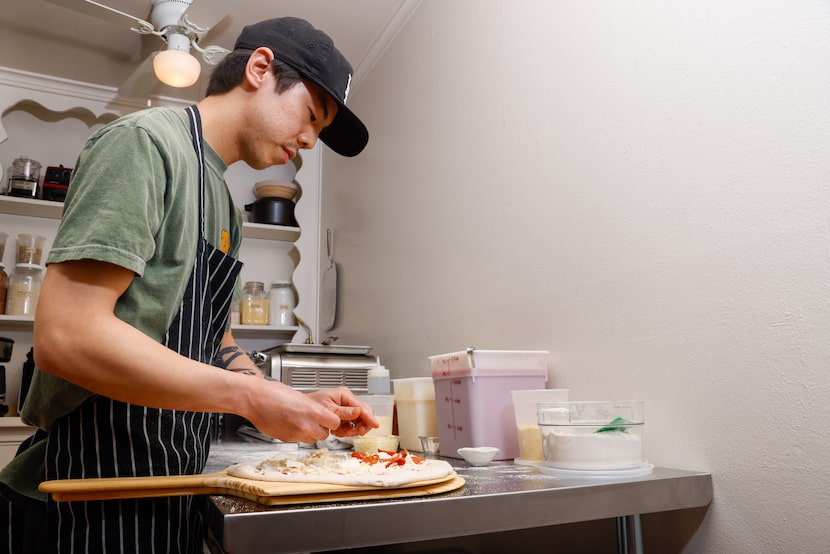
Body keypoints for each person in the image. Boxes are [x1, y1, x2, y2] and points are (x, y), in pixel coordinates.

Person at [0, 16, 377, 553]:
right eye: (311, 116)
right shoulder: (143, 145)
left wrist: (285, 399)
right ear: (260, 68)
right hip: (92, 489)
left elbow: (214, 342)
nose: (311, 141)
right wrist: (251, 398)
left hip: (177, 483)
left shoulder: (225, 204)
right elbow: (68, 338)